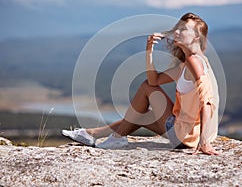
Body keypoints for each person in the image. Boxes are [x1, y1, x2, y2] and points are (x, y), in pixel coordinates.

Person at [62, 12, 220, 155]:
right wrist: (149, 49)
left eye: (184, 29)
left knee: (145, 87)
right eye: (177, 28)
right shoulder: (187, 64)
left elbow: (206, 101)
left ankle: (116, 137)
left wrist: (204, 142)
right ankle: (91, 134)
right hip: (185, 136)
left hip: (184, 136)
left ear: (197, 37)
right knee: (140, 115)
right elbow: (155, 80)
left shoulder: (194, 62)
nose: (177, 32)